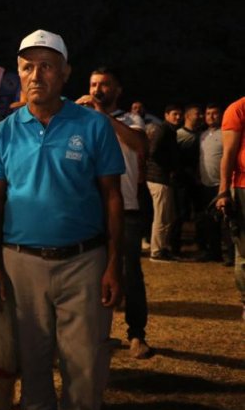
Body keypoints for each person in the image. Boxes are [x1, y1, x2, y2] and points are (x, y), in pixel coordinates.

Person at [0, 30, 124, 410]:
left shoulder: (93, 125)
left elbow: (112, 197)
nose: (36, 74)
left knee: (83, 356)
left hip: (84, 259)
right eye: (28, 66)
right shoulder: (4, 133)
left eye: (46, 66)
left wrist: (114, 264)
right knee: (33, 352)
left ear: (64, 73)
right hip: (20, 261)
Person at [76, 67, 151, 359]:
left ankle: (137, 334)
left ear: (117, 90)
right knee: (89, 275)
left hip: (127, 208)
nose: (98, 89)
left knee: (129, 273)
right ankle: (97, 335)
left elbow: (140, 145)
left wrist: (101, 115)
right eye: (93, 84)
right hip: (90, 210)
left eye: (105, 85)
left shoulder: (131, 120)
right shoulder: (83, 120)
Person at [216, 96, 245, 321]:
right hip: (244, 187)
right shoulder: (238, 109)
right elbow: (228, 153)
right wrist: (224, 192)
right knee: (244, 250)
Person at [145, 105, 182, 262]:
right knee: (161, 216)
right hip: (159, 178)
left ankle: (162, 248)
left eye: (180, 114)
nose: (178, 117)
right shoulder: (163, 130)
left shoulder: (169, 130)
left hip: (161, 177)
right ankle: (157, 251)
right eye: (174, 114)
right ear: (166, 115)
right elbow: (154, 151)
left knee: (166, 215)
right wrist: (169, 168)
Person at [197, 103, 229, 263]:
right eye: (208, 113)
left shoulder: (225, 133)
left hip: (221, 184)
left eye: (215, 113)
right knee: (210, 221)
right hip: (206, 184)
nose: (211, 116)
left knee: (226, 221)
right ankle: (214, 252)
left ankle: (230, 254)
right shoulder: (202, 135)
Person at [172, 104, 204, 256]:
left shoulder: (201, 135)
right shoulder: (179, 135)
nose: (201, 116)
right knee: (180, 213)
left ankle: (202, 244)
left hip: (197, 180)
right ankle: (175, 247)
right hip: (182, 180)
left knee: (200, 213)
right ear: (188, 116)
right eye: (198, 113)